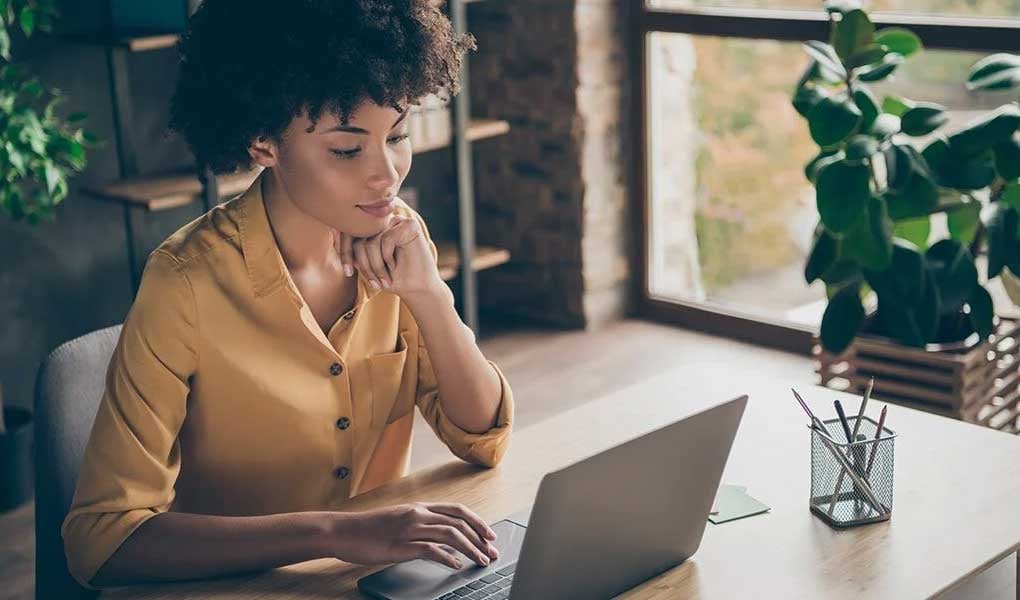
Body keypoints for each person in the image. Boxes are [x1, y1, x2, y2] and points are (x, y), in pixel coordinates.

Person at [62, 0, 513, 589]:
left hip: (370, 583)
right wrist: (332, 534)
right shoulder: (184, 283)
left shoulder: (399, 239)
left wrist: (430, 295)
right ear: (263, 143)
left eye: (397, 135)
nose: (387, 174)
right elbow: (101, 540)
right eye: (347, 149)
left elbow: (482, 438)